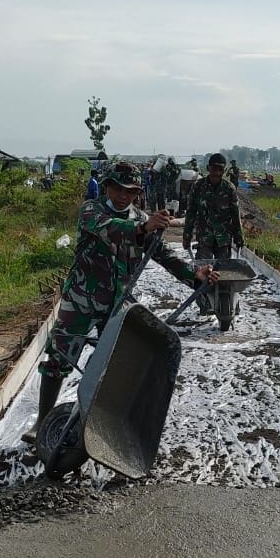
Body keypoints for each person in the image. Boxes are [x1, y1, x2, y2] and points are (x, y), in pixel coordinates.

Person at [23, 162, 218, 445]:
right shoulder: (92, 211)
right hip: (81, 299)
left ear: (138, 192)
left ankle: (99, 424)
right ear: (107, 187)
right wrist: (143, 227)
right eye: (118, 189)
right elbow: (115, 229)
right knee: (59, 358)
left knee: (114, 363)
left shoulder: (140, 216)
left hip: (118, 303)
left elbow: (162, 254)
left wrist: (193, 275)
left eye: (131, 191)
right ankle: (42, 422)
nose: (123, 196)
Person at [183, 152, 243, 315]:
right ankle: (204, 303)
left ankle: (226, 303)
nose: (216, 172)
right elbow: (191, 213)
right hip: (205, 238)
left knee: (224, 273)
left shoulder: (229, 188)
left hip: (223, 238)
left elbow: (235, 214)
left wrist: (239, 237)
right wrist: (186, 236)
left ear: (223, 171)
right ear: (208, 168)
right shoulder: (198, 187)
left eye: (219, 169)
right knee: (203, 271)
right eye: (213, 168)